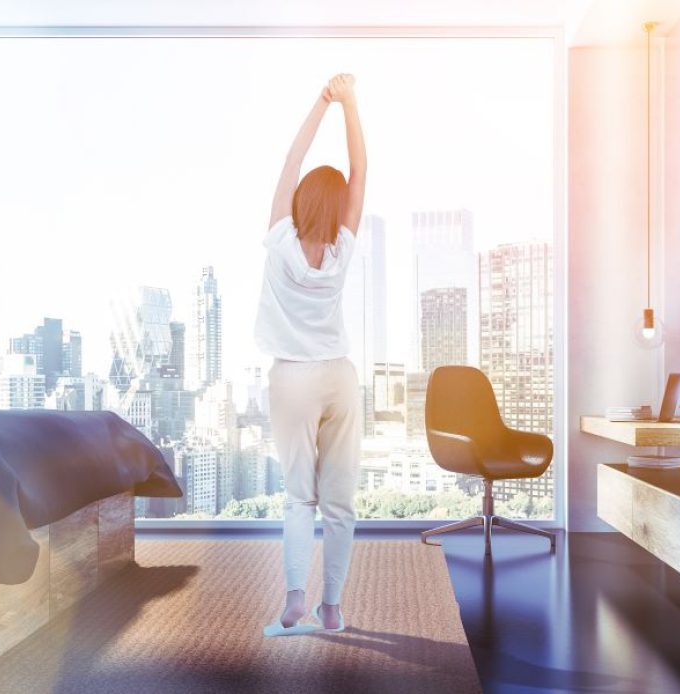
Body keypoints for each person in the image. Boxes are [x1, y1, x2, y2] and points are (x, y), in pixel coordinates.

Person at [256, 73, 366, 637]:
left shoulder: (279, 239)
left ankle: (296, 596)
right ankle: (332, 607)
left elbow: (291, 161)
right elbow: (360, 170)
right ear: (339, 204)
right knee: (339, 502)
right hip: (339, 379)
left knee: (300, 497)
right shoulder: (342, 249)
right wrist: (350, 104)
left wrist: (320, 104)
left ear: (301, 200)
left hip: (291, 379)